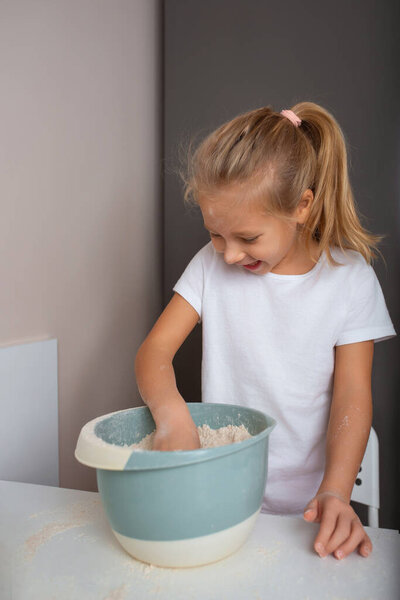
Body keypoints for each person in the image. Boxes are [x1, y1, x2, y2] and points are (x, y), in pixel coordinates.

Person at [134, 102, 396, 561]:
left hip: (308, 513)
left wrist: (335, 491)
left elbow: (352, 397)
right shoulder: (209, 266)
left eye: (248, 238)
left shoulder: (350, 280)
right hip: (219, 502)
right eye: (216, 234)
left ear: (301, 206)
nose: (229, 254)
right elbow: (154, 352)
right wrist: (172, 414)